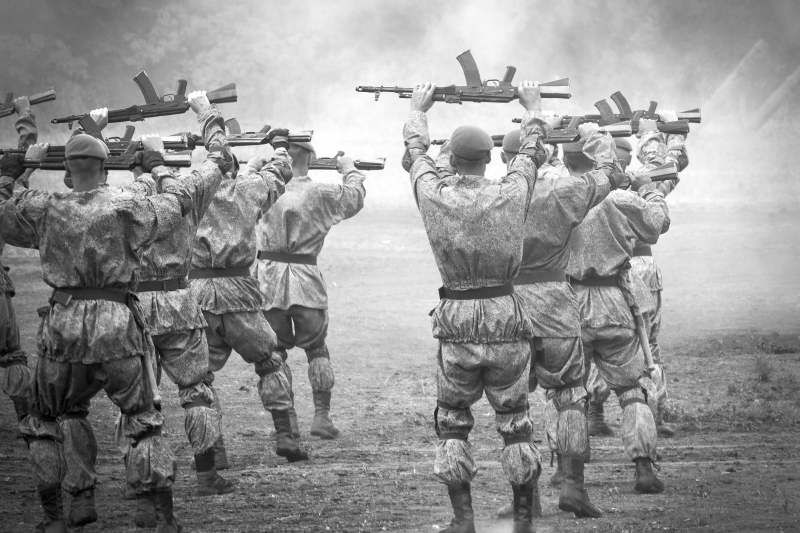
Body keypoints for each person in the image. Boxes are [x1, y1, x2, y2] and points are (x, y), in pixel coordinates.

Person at [1, 130, 214, 532]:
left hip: (63, 327)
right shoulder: (126, 205)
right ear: (105, 169)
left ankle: (63, 511)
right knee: (143, 420)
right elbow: (179, 202)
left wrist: (15, 172)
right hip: (118, 324)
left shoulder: (45, 207)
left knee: (47, 419)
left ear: (66, 171)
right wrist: (156, 164)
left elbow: (3, 212)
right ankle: (160, 516)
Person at [403, 80, 547, 533]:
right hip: (506, 315)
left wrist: (418, 111)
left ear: (453, 159)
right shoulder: (511, 192)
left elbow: (416, 156)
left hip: (457, 319)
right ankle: (523, 519)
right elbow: (530, 153)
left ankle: (463, 520)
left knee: (451, 422)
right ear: (489, 159)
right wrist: (532, 107)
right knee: (516, 421)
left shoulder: (435, 194)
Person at [496, 123, 629, 519]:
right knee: (570, 396)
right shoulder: (563, 192)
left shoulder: (493, 195)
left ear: (503, 158)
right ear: (546, 155)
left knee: (513, 405)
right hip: (556, 302)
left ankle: (525, 499)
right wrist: (591, 134)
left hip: (509, 305)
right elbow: (612, 172)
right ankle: (573, 487)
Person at [565, 137, 676, 493]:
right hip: (615, 299)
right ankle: (643, 468)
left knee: (568, 393)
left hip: (570, 302)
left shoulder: (556, 196)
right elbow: (658, 224)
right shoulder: (619, 199)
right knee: (632, 389)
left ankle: (568, 473)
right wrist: (649, 189)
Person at [189, 127, 304, 463]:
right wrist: (279, 145)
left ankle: (212, 455)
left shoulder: (189, 191)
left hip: (198, 296)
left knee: (199, 380)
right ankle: (286, 436)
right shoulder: (247, 190)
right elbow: (280, 171)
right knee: (270, 361)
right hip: (239, 294)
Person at [255, 142, 366, 441]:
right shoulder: (319, 192)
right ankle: (321, 417)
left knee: (273, 356)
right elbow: (355, 197)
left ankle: (286, 426)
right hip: (306, 281)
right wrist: (349, 169)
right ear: (311, 158)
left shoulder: (261, 188)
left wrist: (257, 165)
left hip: (268, 282)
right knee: (317, 349)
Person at [586, 129, 688, 439]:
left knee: (600, 345)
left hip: (602, 277)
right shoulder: (642, 181)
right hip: (637, 269)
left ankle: (594, 407)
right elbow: (672, 169)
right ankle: (654, 410)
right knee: (643, 344)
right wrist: (665, 135)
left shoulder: (584, 186)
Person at [0, 96, 36, 426]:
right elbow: (22, 161)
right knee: (11, 355)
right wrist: (25, 115)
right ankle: (27, 420)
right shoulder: (4, 189)